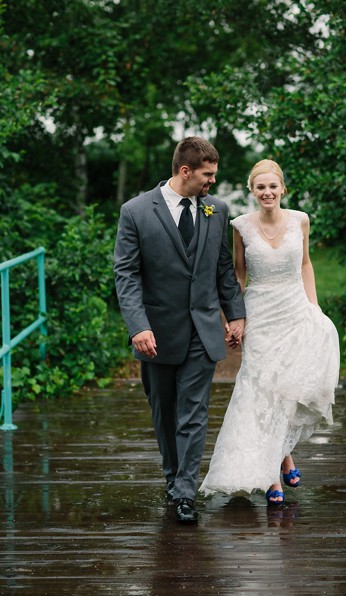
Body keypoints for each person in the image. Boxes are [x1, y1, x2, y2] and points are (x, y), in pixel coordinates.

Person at [114, 136, 247, 524]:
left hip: (202, 331)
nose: (212, 183)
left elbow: (223, 268)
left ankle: (186, 492)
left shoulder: (216, 211)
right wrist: (138, 326)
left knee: (194, 413)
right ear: (185, 171)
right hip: (155, 333)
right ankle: (173, 477)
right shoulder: (136, 211)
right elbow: (126, 274)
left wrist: (234, 314)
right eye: (207, 175)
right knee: (165, 414)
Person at [199, 159, 339, 506]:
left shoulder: (300, 220)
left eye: (273, 186)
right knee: (259, 390)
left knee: (288, 387)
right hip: (260, 313)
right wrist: (234, 318)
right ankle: (274, 473)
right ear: (252, 191)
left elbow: (306, 264)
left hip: (294, 310)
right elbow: (240, 275)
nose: (267, 192)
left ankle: (282, 454)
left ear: (282, 189)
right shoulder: (241, 226)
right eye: (260, 187)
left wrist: (314, 306)